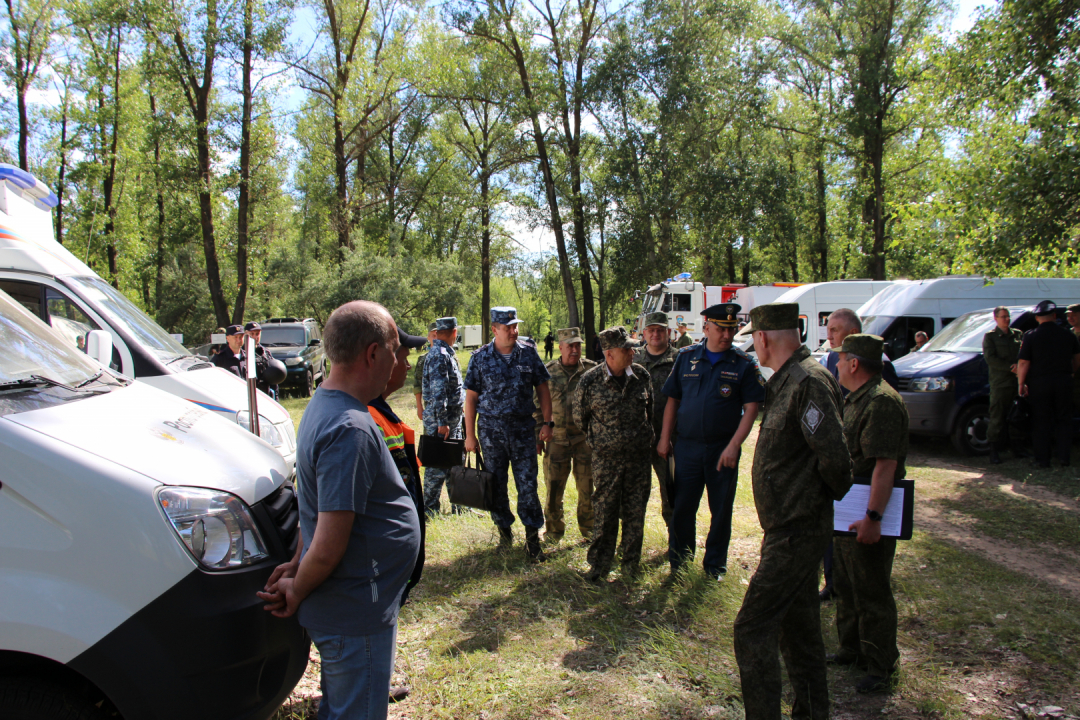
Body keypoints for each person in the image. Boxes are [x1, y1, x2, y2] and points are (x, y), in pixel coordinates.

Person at [258, 300, 419, 720]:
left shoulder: (325, 405)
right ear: (372, 353)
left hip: (356, 607)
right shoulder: (349, 427)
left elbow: (312, 505)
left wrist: (296, 564)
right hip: (354, 613)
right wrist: (296, 588)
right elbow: (328, 545)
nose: (397, 361)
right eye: (394, 349)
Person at [733, 302, 852, 720]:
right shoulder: (785, 381)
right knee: (799, 630)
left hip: (796, 531)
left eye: (754, 339)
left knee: (752, 628)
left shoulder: (808, 382)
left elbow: (836, 461)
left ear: (763, 338)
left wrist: (810, 505)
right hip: (786, 529)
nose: (754, 346)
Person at [658, 304, 763, 581]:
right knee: (682, 507)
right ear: (706, 328)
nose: (727, 334)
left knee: (721, 510)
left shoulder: (743, 363)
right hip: (688, 447)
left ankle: (714, 565)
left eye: (731, 328)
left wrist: (734, 446)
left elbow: (751, 408)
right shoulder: (686, 357)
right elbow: (673, 399)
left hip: (722, 449)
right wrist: (664, 437)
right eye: (721, 328)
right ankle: (680, 561)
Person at [832, 333, 907, 695]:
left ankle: (880, 664)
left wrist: (873, 518)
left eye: (840, 359)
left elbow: (885, 466)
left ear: (855, 363)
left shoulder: (881, 403)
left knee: (871, 588)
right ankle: (851, 648)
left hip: (867, 510)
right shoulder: (856, 398)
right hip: (848, 508)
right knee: (846, 582)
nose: (837, 365)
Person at [818, 308, 897, 601]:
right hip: (843, 475)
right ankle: (833, 581)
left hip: (865, 484)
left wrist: (874, 515)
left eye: (834, 331)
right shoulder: (831, 360)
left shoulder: (879, 376)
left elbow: (885, 454)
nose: (828, 337)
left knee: (868, 583)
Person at [463, 306, 554, 560]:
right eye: (507, 327)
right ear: (494, 329)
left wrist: (548, 422)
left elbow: (543, 389)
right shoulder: (479, 358)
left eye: (515, 326)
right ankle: (504, 533)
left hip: (524, 431)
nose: (513, 331)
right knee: (496, 485)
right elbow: (470, 399)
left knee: (527, 484)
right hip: (491, 433)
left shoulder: (529, 353)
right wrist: (470, 436)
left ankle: (532, 540)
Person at [367, 326, 428, 705]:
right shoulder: (366, 420)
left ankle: (375, 679)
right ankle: (367, 687)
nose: (406, 364)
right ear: (379, 359)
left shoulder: (380, 412)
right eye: (402, 356)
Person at [573, 326, 654, 582]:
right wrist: (604, 440)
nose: (632, 352)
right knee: (605, 512)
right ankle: (599, 566)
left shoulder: (641, 376)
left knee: (635, 512)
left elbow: (649, 411)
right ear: (609, 354)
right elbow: (580, 418)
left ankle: (630, 565)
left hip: (639, 460)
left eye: (632, 347)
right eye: (626, 349)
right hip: (606, 461)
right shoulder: (590, 381)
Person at [535, 327, 596, 542]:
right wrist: (538, 436)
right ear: (560, 347)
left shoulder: (591, 370)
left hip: (584, 442)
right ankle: (553, 533)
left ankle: (589, 531)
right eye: (570, 345)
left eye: (577, 345)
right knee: (553, 492)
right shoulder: (547, 371)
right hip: (556, 441)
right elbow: (536, 407)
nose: (574, 349)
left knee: (588, 490)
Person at [1017, 300, 1080, 468]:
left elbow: (1023, 362)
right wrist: (1070, 373)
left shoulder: (1031, 336)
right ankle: (1064, 457)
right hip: (1064, 382)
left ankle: (1042, 460)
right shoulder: (1069, 335)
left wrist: (1021, 383)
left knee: (1041, 421)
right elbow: (1077, 360)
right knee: (1064, 420)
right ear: (1054, 316)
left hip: (1040, 383)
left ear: (1037, 318)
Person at [634, 311, 679, 527]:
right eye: (651, 330)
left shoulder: (680, 360)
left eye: (660, 330)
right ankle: (630, 543)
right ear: (644, 333)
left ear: (668, 332)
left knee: (671, 492)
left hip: (670, 439)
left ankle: (676, 543)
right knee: (635, 495)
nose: (655, 334)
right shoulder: (633, 358)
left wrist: (668, 436)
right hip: (638, 440)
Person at [422, 317, 466, 516]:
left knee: (453, 462)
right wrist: (442, 422)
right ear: (454, 332)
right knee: (435, 466)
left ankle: (459, 506)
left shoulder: (445, 353)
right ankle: (429, 509)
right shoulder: (440, 355)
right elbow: (439, 391)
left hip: (451, 420)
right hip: (442, 422)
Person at [982, 306, 1025, 464]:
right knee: (997, 417)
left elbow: (1024, 353)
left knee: (1016, 417)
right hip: (1000, 383)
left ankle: (1017, 448)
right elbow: (990, 359)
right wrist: (1010, 367)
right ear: (996, 318)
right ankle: (994, 450)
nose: (1006, 319)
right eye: (1003, 317)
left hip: (1017, 381)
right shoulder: (991, 337)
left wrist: (1020, 367)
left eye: (1008, 316)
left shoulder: (1017, 334)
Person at [413, 323, 437, 421]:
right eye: (433, 335)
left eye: (439, 335)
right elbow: (417, 384)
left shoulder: (450, 357)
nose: (436, 338)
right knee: (430, 436)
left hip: (449, 409)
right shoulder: (423, 359)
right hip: (430, 408)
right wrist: (419, 407)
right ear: (428, 338)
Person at [1069, 304, 1080, 410]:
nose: (1070, 318)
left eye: (1074, 315)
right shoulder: (1068, 334)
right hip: (1071, 382)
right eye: (1068, 315)